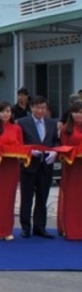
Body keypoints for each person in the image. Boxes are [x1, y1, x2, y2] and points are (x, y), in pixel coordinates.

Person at [17, 95, 60, 239]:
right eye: (38, 108)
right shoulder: (22, 123)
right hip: (29, 164)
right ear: (32, 108)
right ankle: (25, 227)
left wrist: (54, 152)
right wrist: (28, 151)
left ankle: (40, 227)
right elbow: (18, 143)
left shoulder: (51, 123)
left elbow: (56, 142)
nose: (41, 111)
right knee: (27, 197)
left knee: (43, 197)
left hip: (46, 165)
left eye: (43, 108)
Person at [0, 101, 24, 240]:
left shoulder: (17, 128)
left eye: (8, 111)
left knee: (9, 198)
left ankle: (7, 230)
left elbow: (21, 146)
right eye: (2, 111)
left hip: (12, 166)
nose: (5, 114)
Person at [58, 101, 82, 239]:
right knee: (72, 197)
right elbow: (63, 149)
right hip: (72, 167)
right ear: (71, 114)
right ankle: (71, 228)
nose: (79, 115)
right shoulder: (66, 129)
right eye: (76, 112)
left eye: (81, 112)